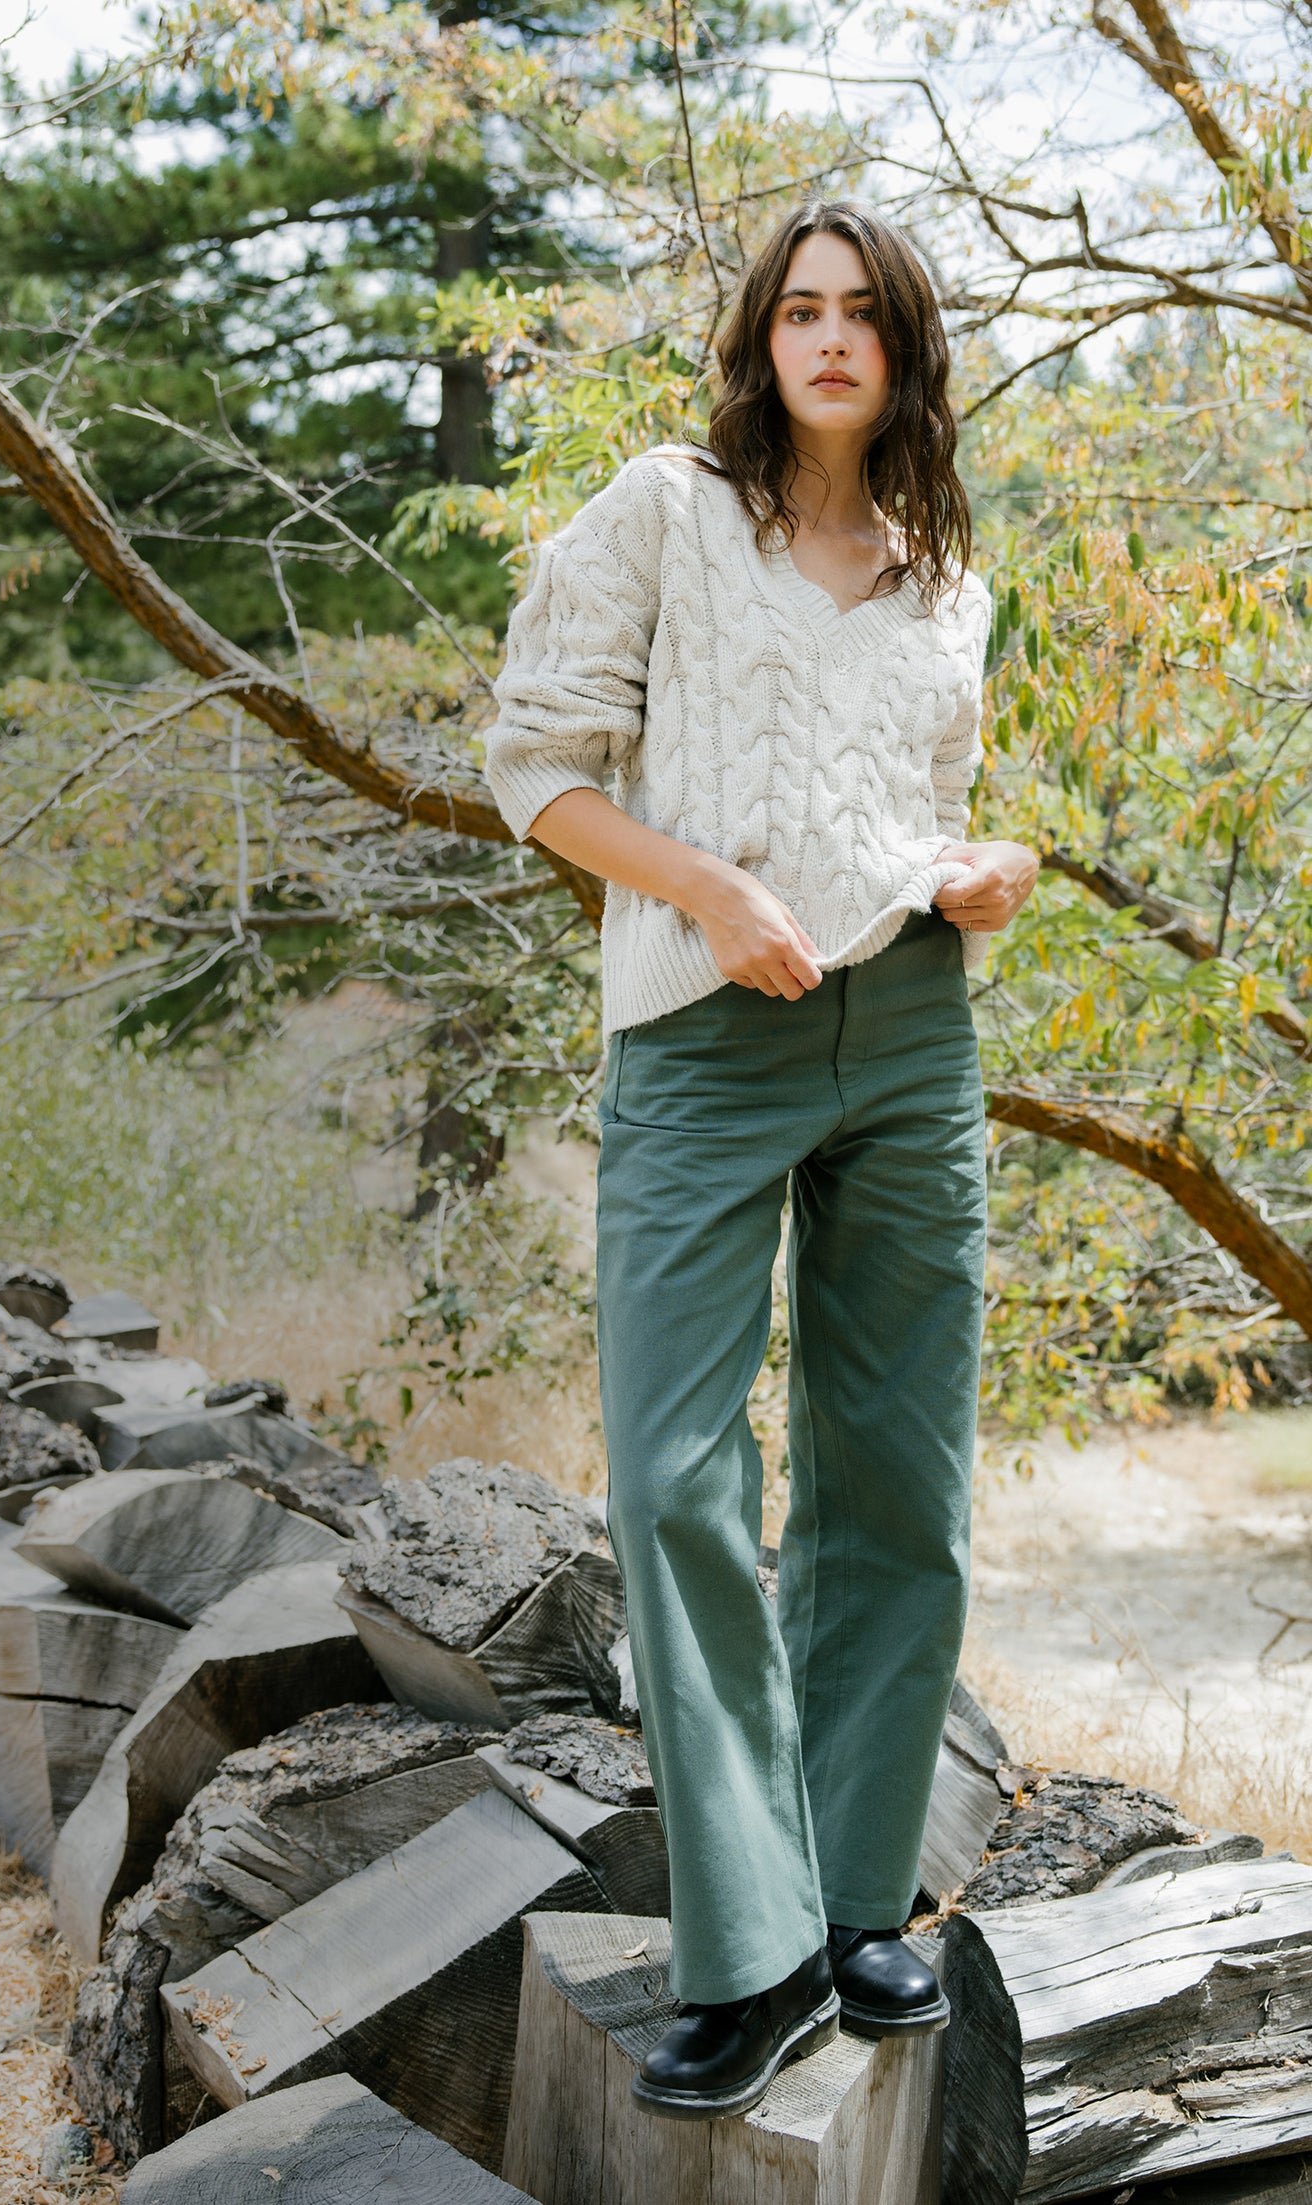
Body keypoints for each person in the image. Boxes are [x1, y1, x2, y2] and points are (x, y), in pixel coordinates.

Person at [482, 198, 1038, 2122]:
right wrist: (707, 891)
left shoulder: (949, 580)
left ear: (905, 348)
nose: (828, 337)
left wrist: (987, 868)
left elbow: (916, 810)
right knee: (672, 1473)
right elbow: (535, 766)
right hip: (704, 1033)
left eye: (861, 310)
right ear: (761, 337)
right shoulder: (664, 511)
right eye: (798, 308)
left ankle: (860, 1898)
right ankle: (752, 1947)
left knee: (900, 1477)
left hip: (912, 1033)